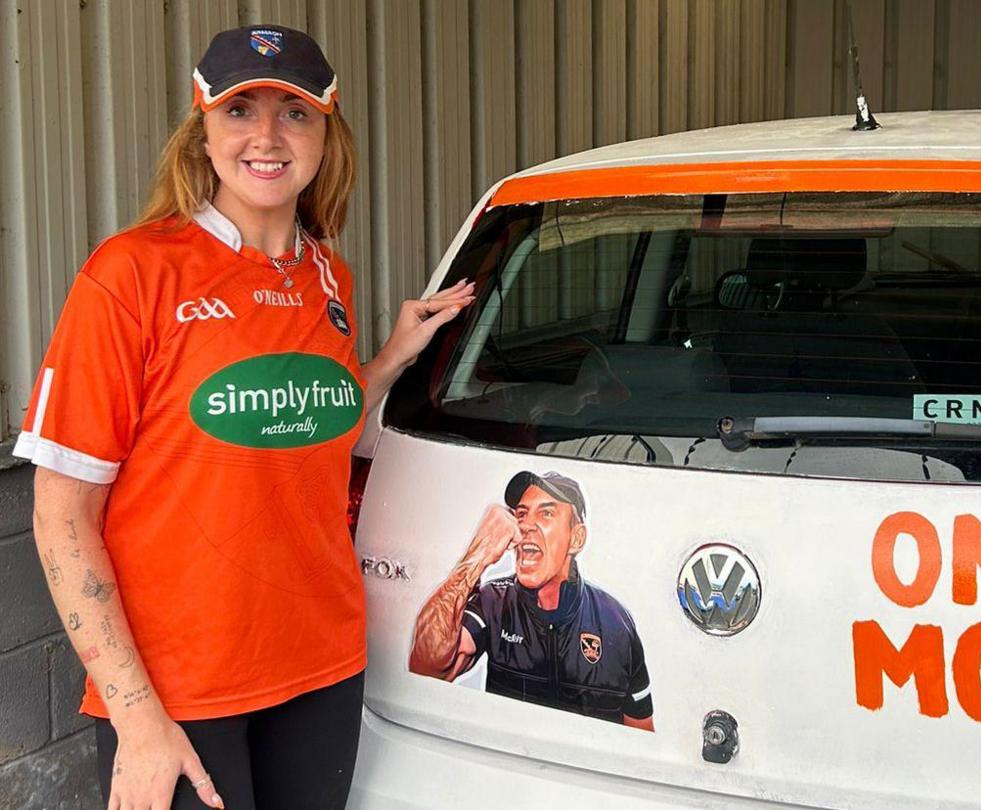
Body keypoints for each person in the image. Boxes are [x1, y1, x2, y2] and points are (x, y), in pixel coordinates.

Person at [15, 24, 474, 810]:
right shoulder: (130, 274)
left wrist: (391, 359)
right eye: (239, 111)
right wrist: (136, 715)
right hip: (181, 688)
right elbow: (61, 517)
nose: (266, 136)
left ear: (328, 133)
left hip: (322, 662)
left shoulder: (329, 274)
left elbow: (301, 427)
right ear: (203, 131)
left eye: (293, 113)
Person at [409, 471, 655, 731]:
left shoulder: (614, 621)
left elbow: (641, 732)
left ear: (576, 538)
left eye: (546, 513)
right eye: (521, 514)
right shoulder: (494, 602)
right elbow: (426, 666)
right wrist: (476, 557)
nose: (525, 525)